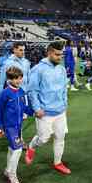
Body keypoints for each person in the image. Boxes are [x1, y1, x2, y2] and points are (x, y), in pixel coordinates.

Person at [25, 42, 71, 175]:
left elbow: (63, 89)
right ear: (49, 53)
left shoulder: (61, 69)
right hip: (44, 112)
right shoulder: (38, 69)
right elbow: (32, 91)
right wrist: (37, 108)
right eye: (57, 55)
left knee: (60, 137)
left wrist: (65, 104)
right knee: (43, 139)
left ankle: (58, 162)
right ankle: (31, 146)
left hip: (60, 111)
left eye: (61, 55)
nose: (59, 57)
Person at [0, 66, 33, 183]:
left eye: (20, 78)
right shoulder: (5, 93)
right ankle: (12, 175)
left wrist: (35, 112)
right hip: (9, 127)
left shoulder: (22, 91)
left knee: (12, 149)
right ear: (9, 79)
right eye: (15, 79)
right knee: (17, 149)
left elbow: (25, 107)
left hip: (18, 126)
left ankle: (7, 170)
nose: (18, 81)